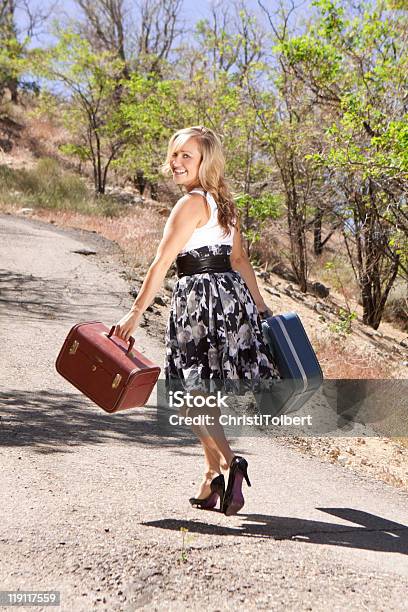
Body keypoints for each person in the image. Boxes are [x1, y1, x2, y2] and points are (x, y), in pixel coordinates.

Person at [112, 125, 281, 516]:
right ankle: (211, 481)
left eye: (186, 155)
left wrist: (136, 312)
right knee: (203, 396)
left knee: (188, 398)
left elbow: (162, 261)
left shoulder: (190, 204)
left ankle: (231, 460)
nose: (176, 162)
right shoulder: (225, 203)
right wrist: (260, 307)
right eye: (174, 155)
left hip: (198, 301)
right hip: (230, 299)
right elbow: (239, 261)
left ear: (206, 161)